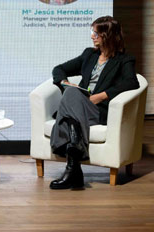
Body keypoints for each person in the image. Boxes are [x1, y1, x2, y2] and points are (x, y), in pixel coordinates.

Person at [48, 16, 139, 189]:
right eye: (92, 32)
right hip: (79, 106)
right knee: (72, 92)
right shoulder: (89, 55)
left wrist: (102, 95)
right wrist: (64, 83)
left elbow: (131, 82)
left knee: (68, 106)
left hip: (98, 110)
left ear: (108, 35)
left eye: (96, 33)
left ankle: (73, 169)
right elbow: (58, 69)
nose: (92, 36)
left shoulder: (124, 60)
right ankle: (74, 168)